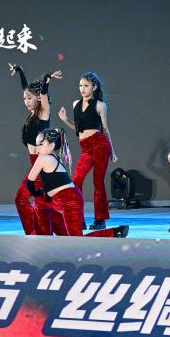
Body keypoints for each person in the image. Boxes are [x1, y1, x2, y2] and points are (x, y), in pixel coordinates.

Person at [26, 128, 129, 238]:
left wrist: (36, 192)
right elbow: (54, 182)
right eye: (36, 144)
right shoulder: (56, 157)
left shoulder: (43, 158)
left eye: (40, 144)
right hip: (69, 197)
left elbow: (29, 182)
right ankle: (46, 234)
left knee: (77, 238)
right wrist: (42, 193)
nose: (37, 148)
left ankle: (114, 232)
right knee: (40, 201)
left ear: (51, 146)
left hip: (69, 200)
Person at [58, 72, 118, 230]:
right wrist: (65, 119)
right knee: (76, 181)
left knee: (98, 182)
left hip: (100, 145)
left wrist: (112, 151)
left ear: (94, 87)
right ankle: (78, 218)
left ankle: (100, 220)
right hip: (85, 147)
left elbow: (105, 130)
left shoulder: (100, 105)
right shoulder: (75, 104)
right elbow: (78, 128)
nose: (82, 89)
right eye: (80, 85)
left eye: (86, 85)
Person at [10, 64, 62, 235]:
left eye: (29, 98)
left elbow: (44, 95)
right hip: (36, 165)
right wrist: (19, 70)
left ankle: (34, 233)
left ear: (38, 98)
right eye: (24, 98)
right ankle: (44, 232)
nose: (26, 102)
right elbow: (26, 88)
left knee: (22, 199)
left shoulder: (43, 113)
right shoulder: (33, 114)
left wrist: (46, 79)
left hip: (42, 166)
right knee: (43, 205)